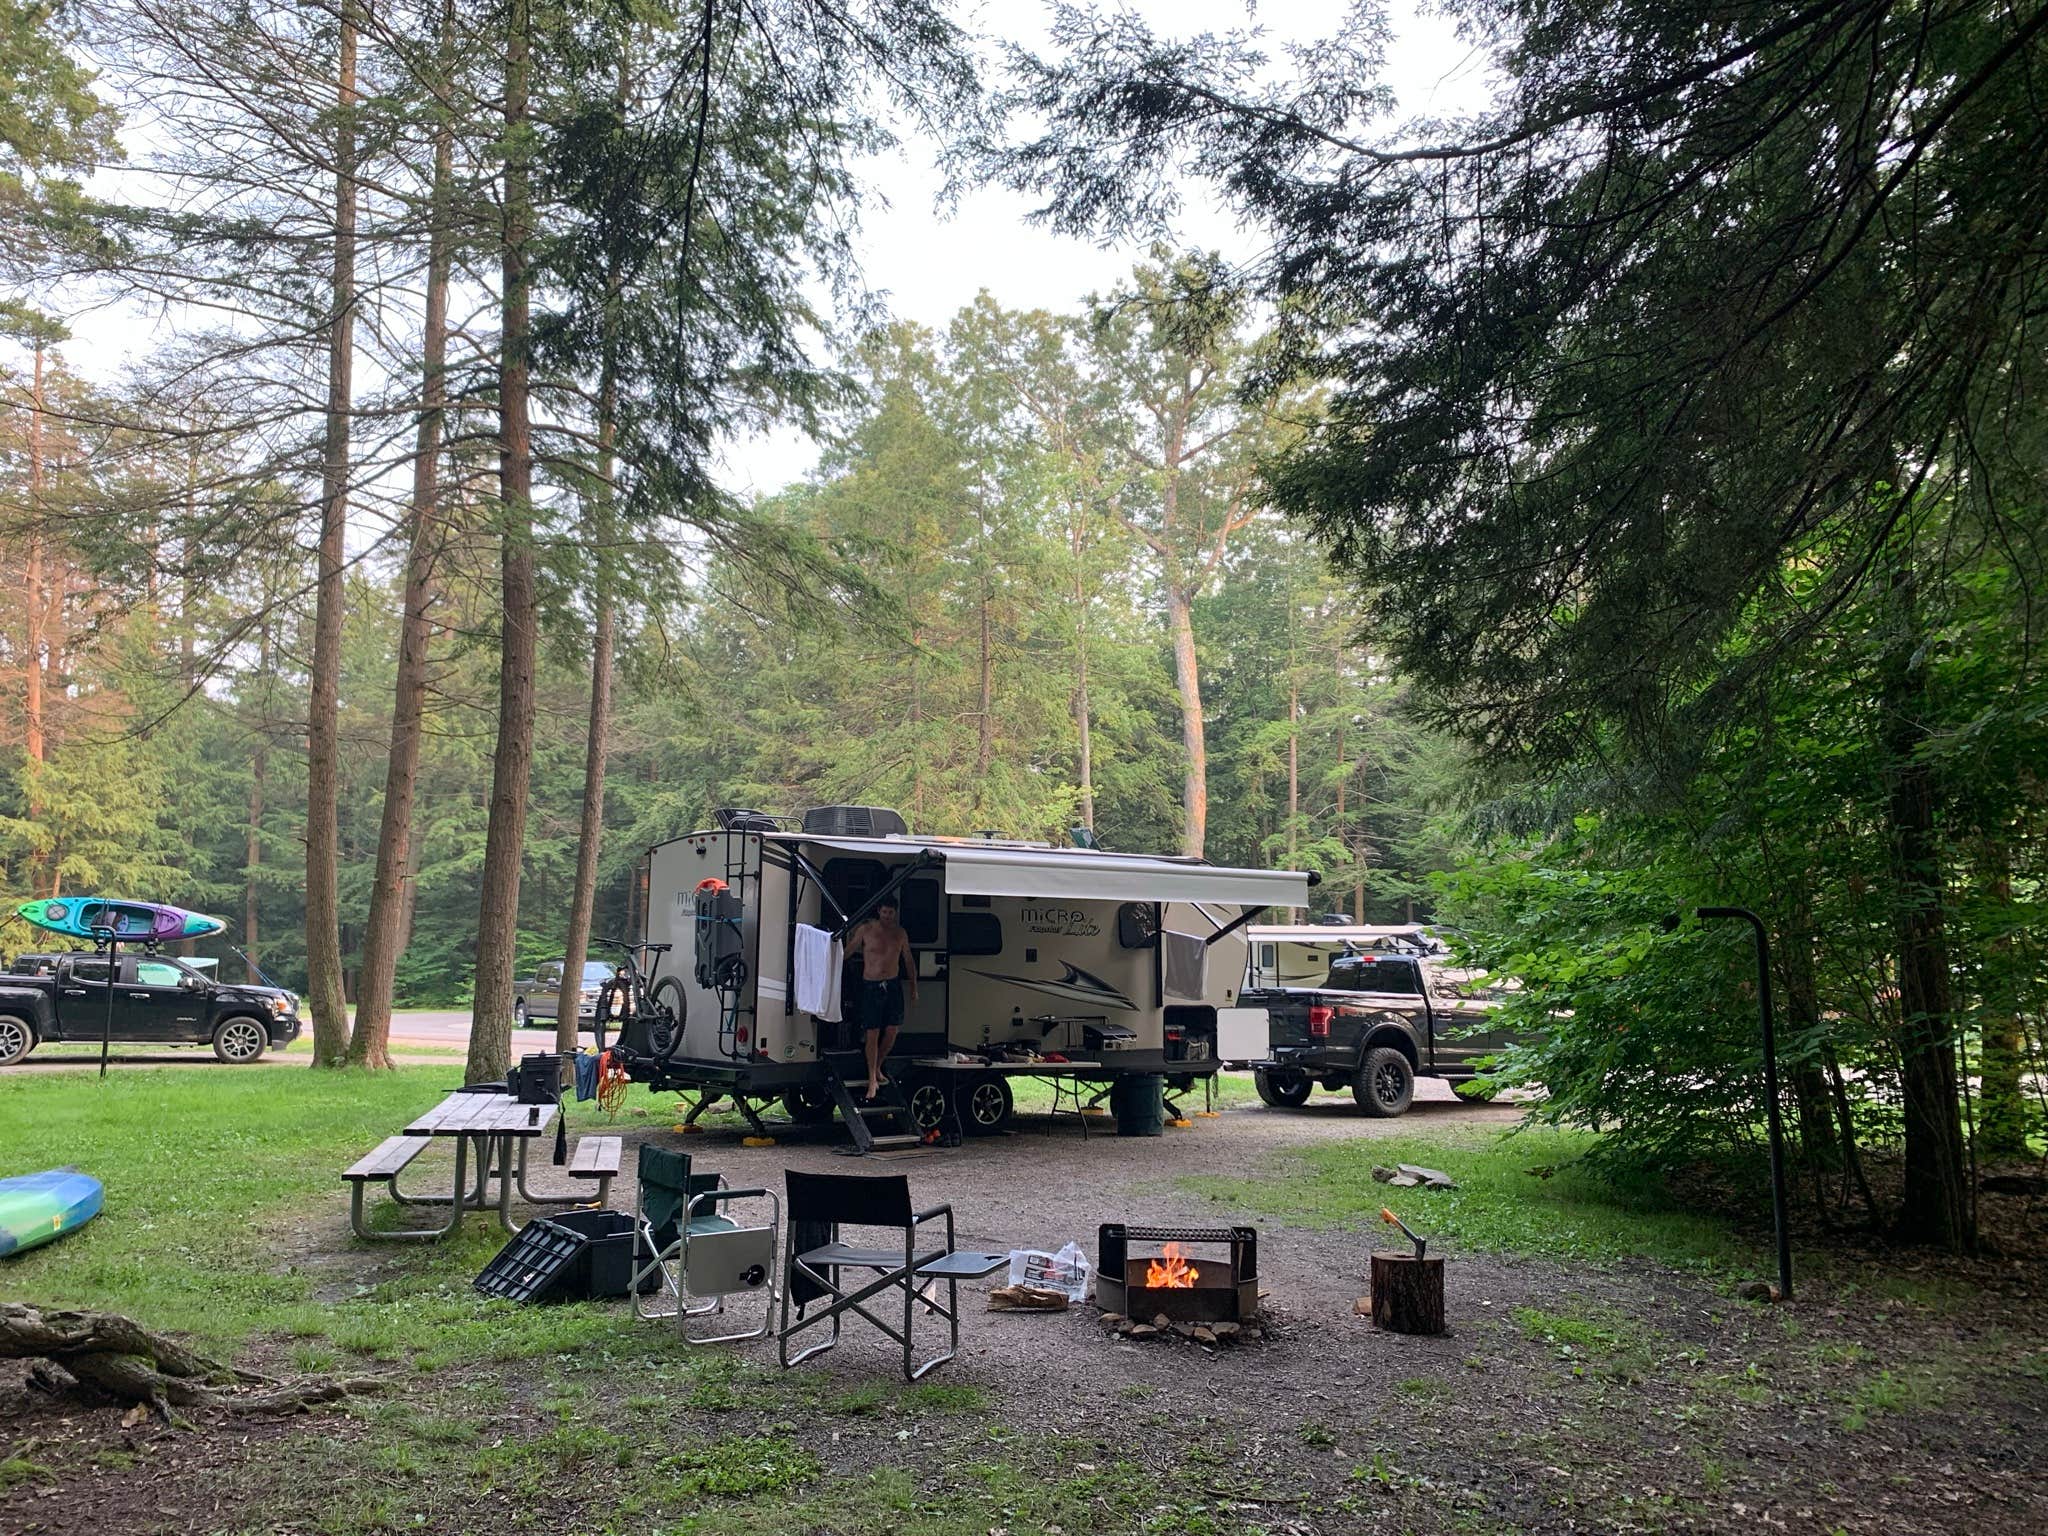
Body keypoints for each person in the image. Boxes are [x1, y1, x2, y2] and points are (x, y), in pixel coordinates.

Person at [845, 898, 917, 1100]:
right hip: (871, 985)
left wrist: (913, 986)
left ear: (895, 913)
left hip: (892, 984)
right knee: (872, 1032)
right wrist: (830, 959)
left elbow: (908, 960)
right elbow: (849, 951)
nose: (887, 916)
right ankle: (872, 1079)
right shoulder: (866, 930)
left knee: (893, 1030)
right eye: (884, 912)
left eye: (890, 913)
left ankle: (877, 1066)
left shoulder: (900, 933)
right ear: (879, 911)